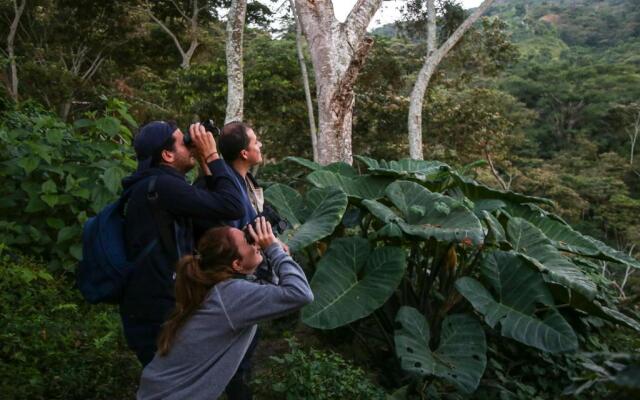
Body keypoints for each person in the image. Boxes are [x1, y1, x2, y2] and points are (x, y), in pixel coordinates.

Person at [137, 217, 313, 400]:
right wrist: (274, 250)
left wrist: (275, 251)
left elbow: (272, 292)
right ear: (237, 264)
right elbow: (300, 294)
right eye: (247, 239)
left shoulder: (219, 288)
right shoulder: (231, 295)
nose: (255, 242)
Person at [119, 120, 245, 366]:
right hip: (157, 310)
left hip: (153, 305)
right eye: (184, 143)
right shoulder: (163, 187)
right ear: (167, 154)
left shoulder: (154, 186)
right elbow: (233, 207)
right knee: (169, 384)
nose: (191, 146)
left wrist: (203, 164)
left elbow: (215, 222)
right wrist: (211, 154)